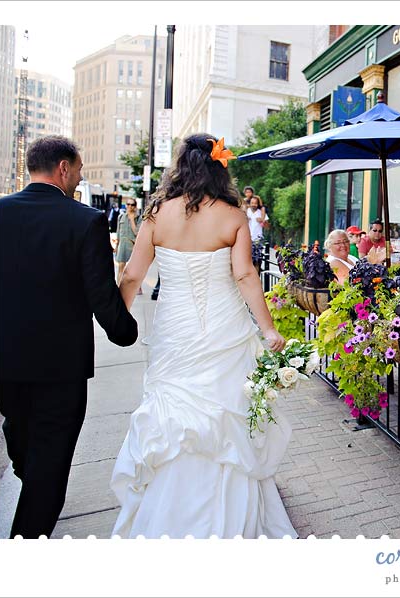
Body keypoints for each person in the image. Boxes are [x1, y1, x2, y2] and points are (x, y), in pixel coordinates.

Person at [110, 133, 295, 538]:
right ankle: (227, 517)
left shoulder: (158, 213)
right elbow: (245, 275)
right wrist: (267, 329)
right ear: (217, 167)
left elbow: (133, 274)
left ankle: (164, 515)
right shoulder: (232, 215)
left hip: (175, 331)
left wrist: (117, 321)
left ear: (181, 166)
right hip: (223, 327)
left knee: (172, 416)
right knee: (227, 413)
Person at [0, 136, 138, 538]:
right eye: (78, 170)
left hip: (2, 361)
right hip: (60, 368)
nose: (79, 178)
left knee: (19, 433)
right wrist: (124, 330)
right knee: (50, 466)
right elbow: (99, 293)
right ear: (62, 168)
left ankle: (29, 472)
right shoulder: (84, 221)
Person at [115, 198, 141, 287]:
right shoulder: (121, 217)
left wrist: (132, 220)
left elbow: (137, 233)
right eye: (128, 204)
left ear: (135, 207)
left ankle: (135, 288)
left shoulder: (138, 218)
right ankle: (118, 288)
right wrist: (116, 246)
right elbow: (118, 233)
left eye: (132, 205)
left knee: (131, 270)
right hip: (122, 246)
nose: (130, 206)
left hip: (132, 247)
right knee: (120, 268)